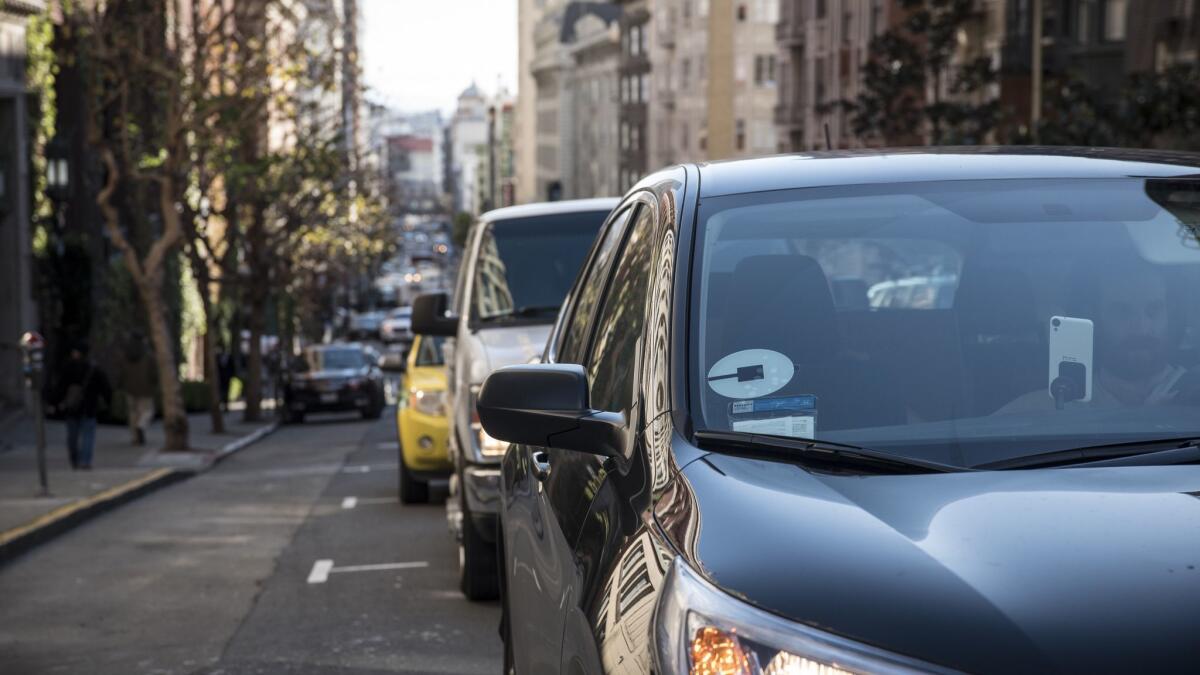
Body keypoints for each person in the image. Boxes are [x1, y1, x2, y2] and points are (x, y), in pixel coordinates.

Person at [997, 261, 1197, 413]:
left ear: (1171, 315)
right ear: (1093, 318)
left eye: (1153, 311)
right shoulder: (1039, 412)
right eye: (1122, 312)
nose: (1142, 328)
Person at [52, 343, 112, 470]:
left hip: (73, 409)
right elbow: (105, 388)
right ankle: (85, 461)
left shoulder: (68, 368)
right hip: (88, 408)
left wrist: (55, 403)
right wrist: (107, 403)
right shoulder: (93, 369)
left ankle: (76, 460)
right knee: (87, 436)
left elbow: (60, 387)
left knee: (72, 438)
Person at [118, 331, 156, 445]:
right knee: (147, 411)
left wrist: (121, 384)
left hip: (130, 388)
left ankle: (135, 437)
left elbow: (122, 371)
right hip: (145, 388)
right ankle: (141, 426)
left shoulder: (126, 354)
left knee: (133, 413)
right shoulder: (148, 355)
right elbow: (153, 373)